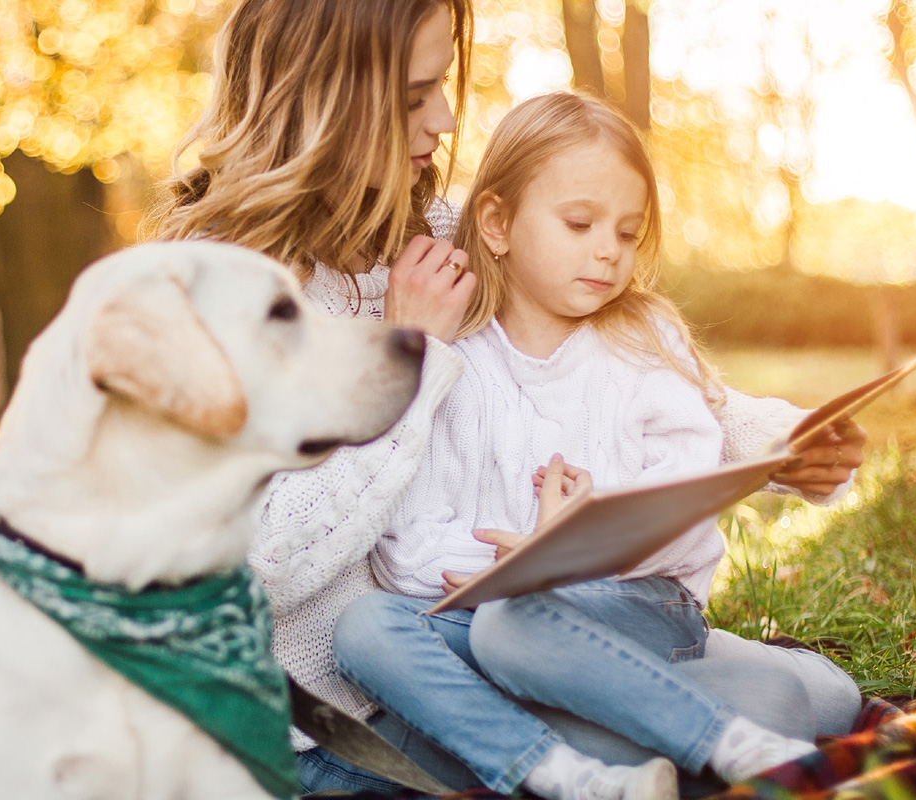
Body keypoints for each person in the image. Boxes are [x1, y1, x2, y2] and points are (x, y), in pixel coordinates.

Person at [151, 0, 864, 795]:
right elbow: (262, 562)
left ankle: (700, 717)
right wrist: (409, 360)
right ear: (329, 100)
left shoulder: (432, 230)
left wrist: (780, 441)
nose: (448, 120)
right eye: (415, 96)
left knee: (799, 697)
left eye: (442, 87)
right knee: (775, 703)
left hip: (483, 639)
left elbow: (617, 356)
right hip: (333, 726)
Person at [333, 92, 866, 800]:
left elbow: (686, 507)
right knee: (366, 627)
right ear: (496, 223)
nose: (609, 250)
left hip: (637, 606)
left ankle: (736, 743)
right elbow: (406, 555)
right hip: (478, 619)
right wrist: (520, 562)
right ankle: (570, 772)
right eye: (580, 223)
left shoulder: (643, 340)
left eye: (628, 231)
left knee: (511, 626)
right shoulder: (452, 359)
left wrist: (577, 548)